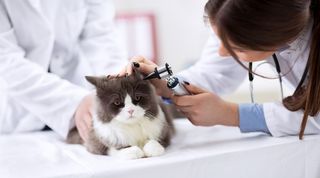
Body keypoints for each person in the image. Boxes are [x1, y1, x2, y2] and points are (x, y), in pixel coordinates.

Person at [118, 0, 320, 140]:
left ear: (279, 34)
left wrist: (233, 114)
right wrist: (165, 84)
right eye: (220, 39)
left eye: (238, 47)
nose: (223, 52)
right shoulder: (231, 15)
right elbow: (215, 73)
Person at [0, 0, 127, 141]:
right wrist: (75, 101)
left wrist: (117, 88)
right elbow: (6, 61)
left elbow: (101, 37)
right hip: (19, 118)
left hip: (82, 105)